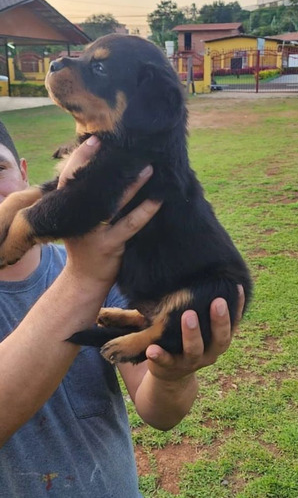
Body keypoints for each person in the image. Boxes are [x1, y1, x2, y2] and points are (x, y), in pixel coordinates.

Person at [0, 121, 244, 497]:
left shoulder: (101, 263)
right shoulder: (92, 267)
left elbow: (160, 413)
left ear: (24, 173)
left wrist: (171, 376)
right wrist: (83, 278)